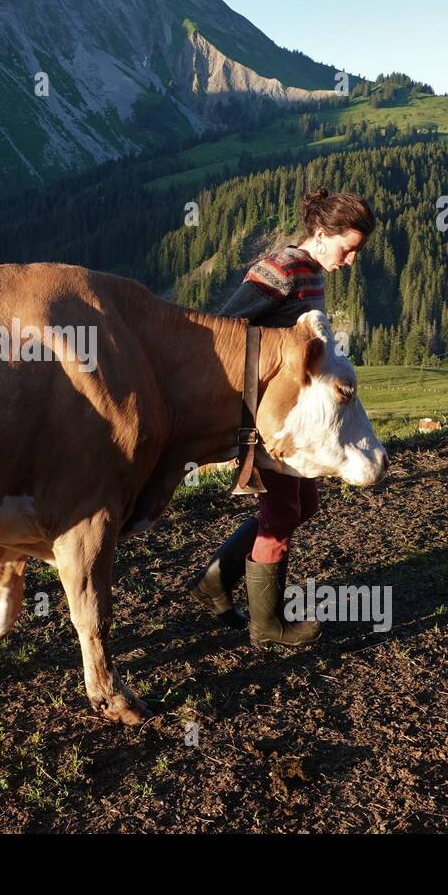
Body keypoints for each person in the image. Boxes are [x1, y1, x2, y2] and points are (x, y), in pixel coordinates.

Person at [189, 187, 376, 648]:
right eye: (348, 249)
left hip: (296, 419)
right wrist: (252, 418)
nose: (350, 260)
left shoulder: (312, 272)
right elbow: (226, 331)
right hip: (270, 422)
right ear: (319, 233)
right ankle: (267, 627)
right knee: (282, 512)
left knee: (303, 506)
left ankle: (215, 581)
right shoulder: (282, 269)